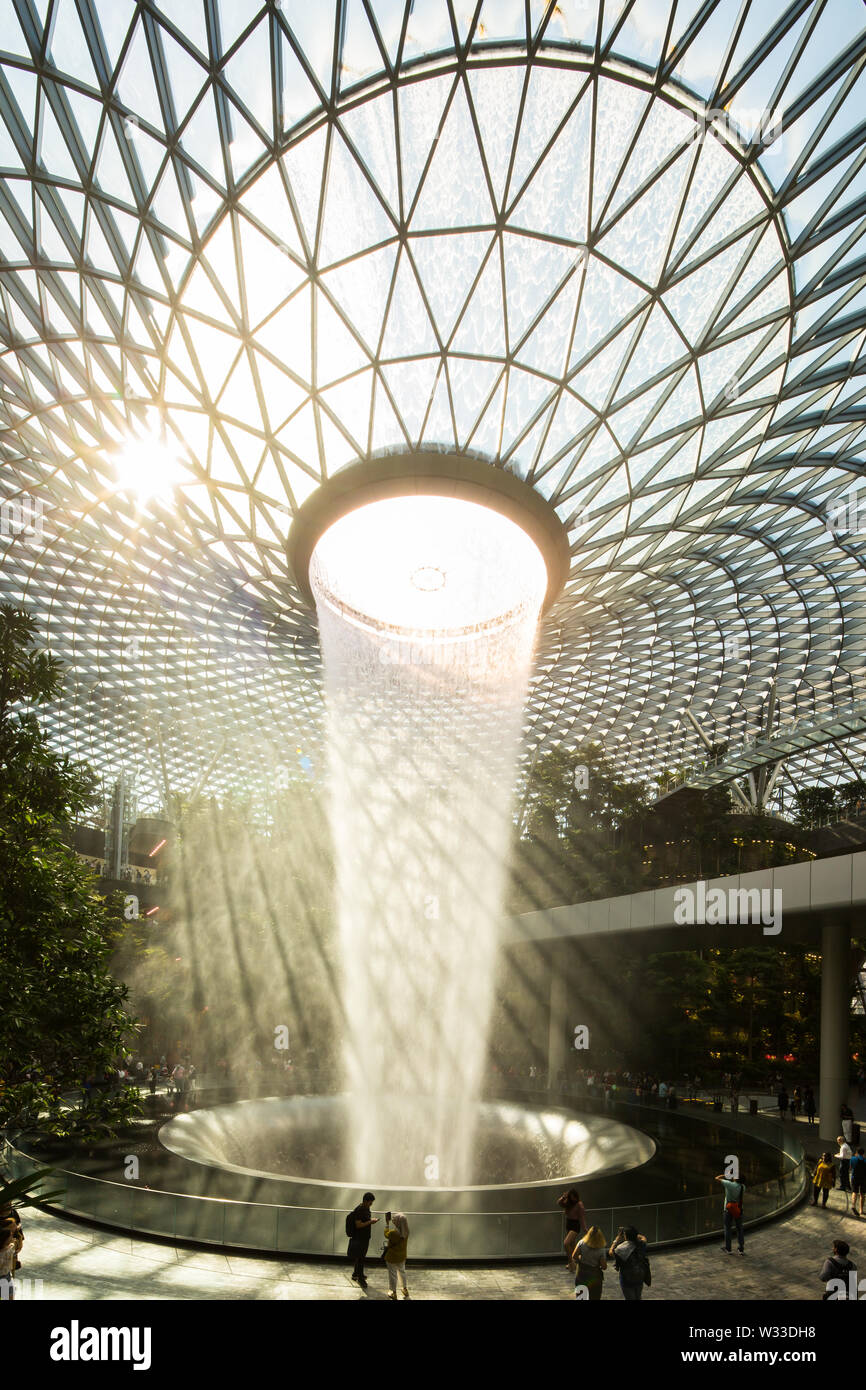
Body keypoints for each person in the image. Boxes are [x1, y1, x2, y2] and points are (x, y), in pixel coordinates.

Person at [609, 1226, 650, 1301]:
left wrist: (617, 1238)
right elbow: (643, 1238)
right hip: (639, 1276)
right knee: (638, 1297)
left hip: (627, 1279)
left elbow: (611, 1252)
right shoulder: (641, 1244)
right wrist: (633, 1234)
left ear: (625, 1236)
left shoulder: (621, 1249)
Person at [346, 1192, 378, 1289]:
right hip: (360, 1237)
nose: (371, 1204)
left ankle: (356, 1273)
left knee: (359, 1256)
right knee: (361, 1257)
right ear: (366, 1201)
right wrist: (371, 1222)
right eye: (370, 1202)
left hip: (364, 1237)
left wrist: (370, 1221)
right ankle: (361, 1279)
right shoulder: (360, 1210)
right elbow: (358, 1225)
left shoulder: (365, 1208)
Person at [573, 1226, 607, 1301]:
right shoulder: (601, 1249)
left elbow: (574, 1256)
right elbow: (604, 1266)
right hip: (595, 1276)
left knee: (581, 1297)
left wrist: (580, 1261)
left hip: (581, 1275)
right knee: (594, 1296)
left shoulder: (581, 1243)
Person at [715, 1173, 745, 1255]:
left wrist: (725, 1175)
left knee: (728, 1229)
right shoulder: (743, 1187)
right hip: (738, 1210)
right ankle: (741, 1249)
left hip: (728, 1209)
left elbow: (717, 1178)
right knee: (739, 1229)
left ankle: (728, 1248)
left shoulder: (729, 1184)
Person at [558, 1187, 587, 1269]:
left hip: (575, 1225)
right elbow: (559, 1203)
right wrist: (563, 1197)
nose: (573, 1198)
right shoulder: (568, 1202)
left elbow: (582, 1217)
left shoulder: (579, 1204)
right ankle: (577, 1261)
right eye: (571, 1197)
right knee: (572, 1245)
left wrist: (585, 1228)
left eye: (574, 1197)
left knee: (566, 1243)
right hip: (569, 1223)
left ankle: (571, 1262)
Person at [383, 1211, 410, 1300]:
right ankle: (404, 1289)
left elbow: (386, 1234)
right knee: (402, 1272)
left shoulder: (393, 1233)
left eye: (395, 1219)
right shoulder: (406, 1232)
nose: (393, 1220)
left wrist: (387, 1224)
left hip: (392, 1257)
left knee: (393, 1274)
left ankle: (393, 1292)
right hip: (402, 1256)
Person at [850, 1147, 866, 1217]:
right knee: (862, 1194)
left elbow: (850, 1167)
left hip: (854, 1178)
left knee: (854, 1192)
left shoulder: (853, 1159)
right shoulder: (865, 1160)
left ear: (856, 1152)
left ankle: (853, 1205)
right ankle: (861, 1210)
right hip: (863, 1179)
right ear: (863, 1153)